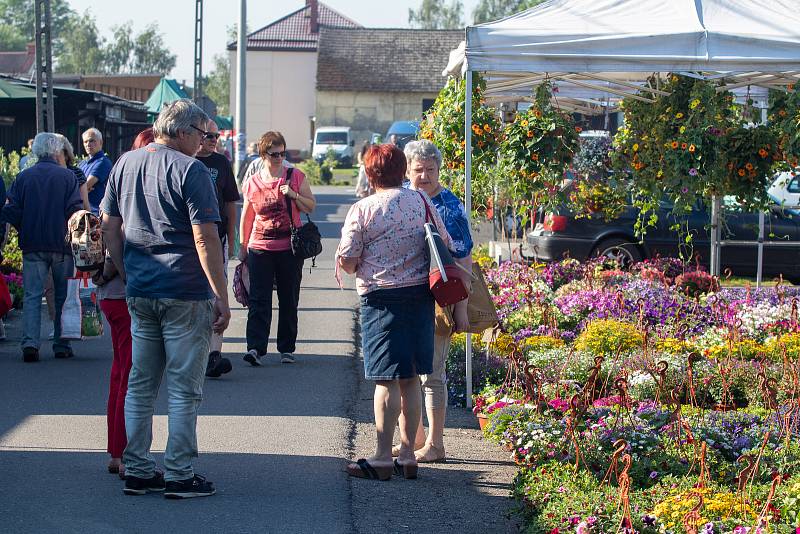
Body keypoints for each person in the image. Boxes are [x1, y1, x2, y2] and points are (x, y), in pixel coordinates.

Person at [101, 99, 230, 499]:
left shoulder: (126, 163)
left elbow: (108, 227)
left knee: (141, 384)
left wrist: (127, 272)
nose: (205, 142)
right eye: (202, 134)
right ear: (182, 132)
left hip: (141, 290)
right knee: (183, 388)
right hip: (184, 290)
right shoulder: (190, 170)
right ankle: (179, 473)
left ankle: (137, 468)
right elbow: (204, 237)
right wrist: (221, 294)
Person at [335, 143, 455, 480]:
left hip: (380, 300)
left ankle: (381, 457)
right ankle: (407, 454)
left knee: (385, 380)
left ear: (371, 173)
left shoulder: (363, 208)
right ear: (402, 170)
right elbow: (443, 242)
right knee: (411, 377)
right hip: (419, 297)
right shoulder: (421, 201)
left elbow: (348, 258)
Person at [397, 140, 473, 463]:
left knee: (433, 374)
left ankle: (436, 443)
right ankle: (411, 440)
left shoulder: (450, 206)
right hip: (406, 297)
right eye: (418, 170)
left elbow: (464, 257)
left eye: (431, 169)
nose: (425, 175)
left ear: (439, 171)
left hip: (440, 299)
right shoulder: (401, 199)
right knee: (406, 373)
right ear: (407, 171)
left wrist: (462, 308)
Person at [94, 128, 153, 479]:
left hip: (110, 296)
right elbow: (117, 239)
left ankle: (116, 449)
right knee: (131, 377)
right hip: (126, 294)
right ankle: (123, 452)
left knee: (120, 374)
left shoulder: (119, 179)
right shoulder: (139, 193)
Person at [1, 132, 82, 362]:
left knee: (33, 295)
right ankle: (61, 344)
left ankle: (30, 343)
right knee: (62, 296)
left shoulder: (24, 177)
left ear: (35, 151)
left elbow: (10, 210)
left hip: (33, 244)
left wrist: (23, 227)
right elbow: (75, 211)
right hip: (62, 245)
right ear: (57, 150)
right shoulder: (67, 178)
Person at [238, 131, 316, 366]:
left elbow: (311, 206)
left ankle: (286, 348)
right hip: (260, 247)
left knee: (288, 298)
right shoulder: (252, 182)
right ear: (263, 154)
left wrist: (292, 195)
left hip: (289, 248)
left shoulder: (295, 176)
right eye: (274, 154)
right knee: (259, 299)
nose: (279, 158)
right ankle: (255, 348)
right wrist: (242, 247)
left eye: (283, 153)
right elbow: (247, 216)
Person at [195, 118, 239, 378]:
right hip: (190, 241)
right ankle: (195, 352)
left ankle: (214, 354)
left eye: (216, 137)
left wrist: (232, 239)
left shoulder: (221, 162)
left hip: (217, 238)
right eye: (209, 136)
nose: (213, 141)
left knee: (217, 293)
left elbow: (231, 203)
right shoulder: (186, 160)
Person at [79, 127, 113, 214]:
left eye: (92, 141)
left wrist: (82, 188)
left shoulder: (103, 162)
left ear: (101, 142)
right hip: (82, 212)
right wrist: (82, 189)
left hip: (96, 212)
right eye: (85, 142)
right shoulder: (82, 163)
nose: (88, 144)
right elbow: (80, 188)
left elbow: (85, 185)